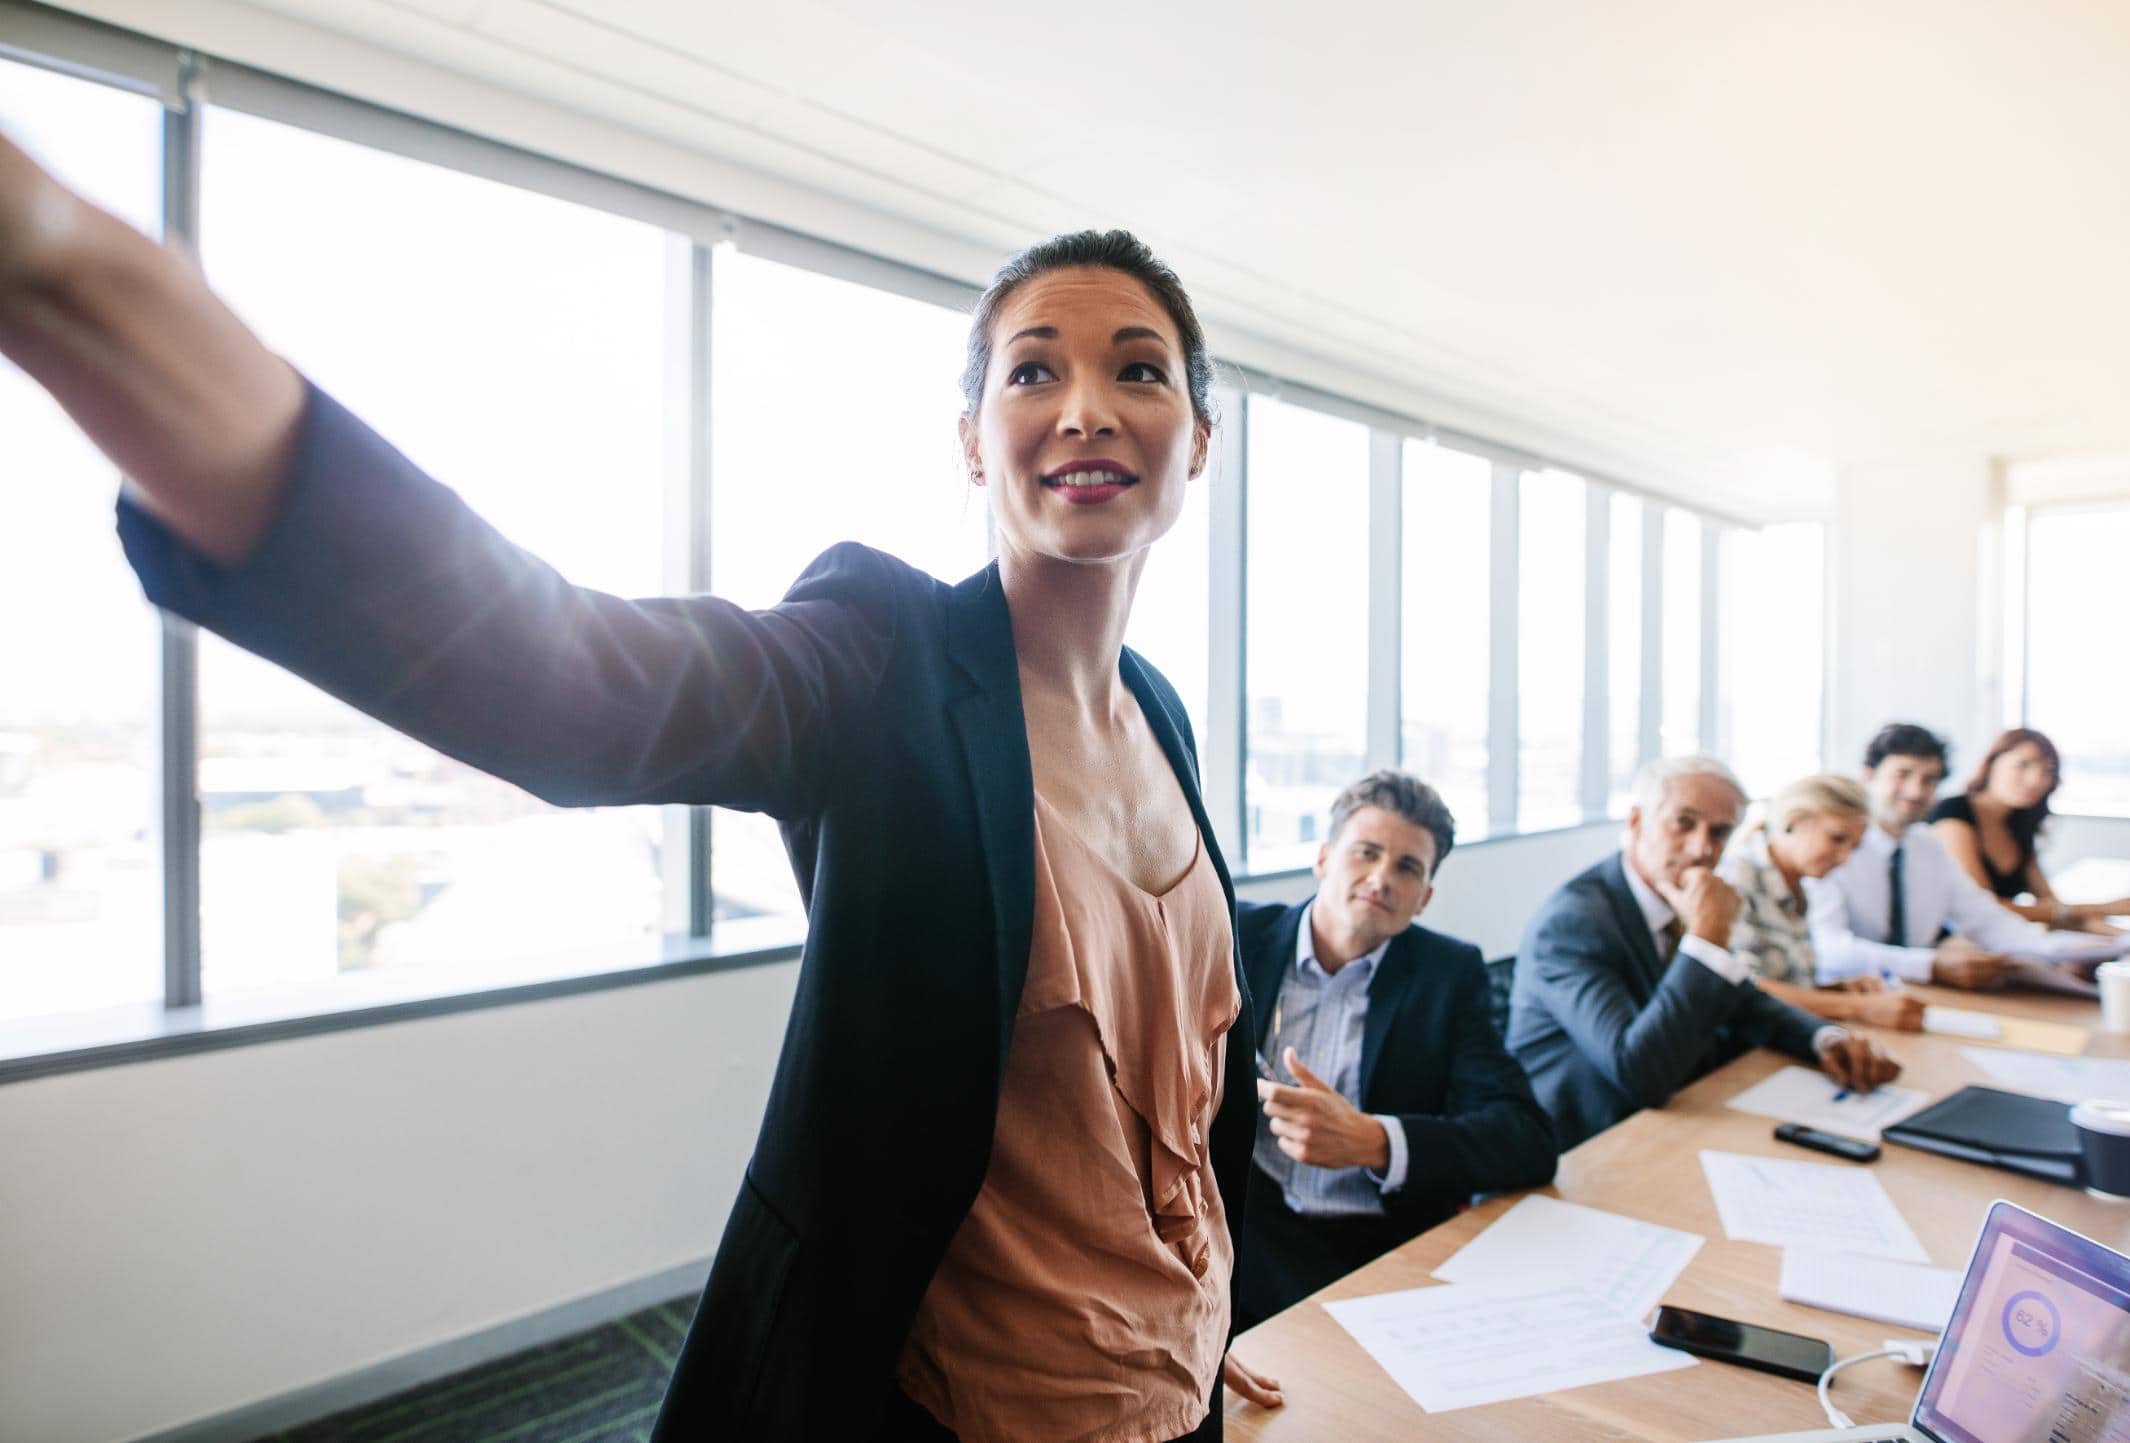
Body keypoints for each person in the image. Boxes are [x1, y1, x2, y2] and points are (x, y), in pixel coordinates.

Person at [0, 131, 1284, 1440]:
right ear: (972, 440)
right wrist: (65, 264)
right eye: (1032, 371)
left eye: (1138, 370)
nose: (1084, 407)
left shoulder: (1164, 718)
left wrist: (1202, 1319)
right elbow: (567, 677)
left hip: (1174, 1395)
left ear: (1196, 439)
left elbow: (1188, 1107)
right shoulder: (883, 654)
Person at [1237, 771, 1556, 1332]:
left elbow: (1526, 1140)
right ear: (1323, 859)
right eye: (1366, 853)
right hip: (1242, 1239)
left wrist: (1373, 1141)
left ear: (1424, 898)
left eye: (1407, 868)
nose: (1382, 878)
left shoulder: (1448, 975)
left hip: (1378, 1250)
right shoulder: (1234, 936)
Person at [1507, 756, 1901, 1153]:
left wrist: (1823, 1038)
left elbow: (1743, 1000)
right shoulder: (1574, 923)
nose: (1701, 848)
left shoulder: (1677, 896)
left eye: (1719, 832)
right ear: (1636, 822)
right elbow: (1638, 1072)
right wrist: (1706, 936)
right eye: (1683, 823)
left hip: (1669, 1122)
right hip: (1581, 1145)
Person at [1810, 723, 2130, 988]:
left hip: (1921, 996)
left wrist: (2120, 944)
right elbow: (1828, 950)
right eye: (1902, 774)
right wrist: (1933, 965)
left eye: (1929, 780)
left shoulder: (1928, 848)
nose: (1916, 791)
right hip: (1852, 995)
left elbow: (1988, 919)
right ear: (1868, 775)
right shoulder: (1833, 848)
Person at [1720, 774, 1924, 1030]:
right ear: (1794, 821)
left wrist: (1837, 991)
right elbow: (1743, 990)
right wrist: (1857, 1007)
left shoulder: (1798, 886)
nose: (1844, 858)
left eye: (1854, 847)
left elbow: (1783, 981)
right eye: (1837, 839)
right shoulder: (1738, 878)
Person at [1929, 727, 2130, 933]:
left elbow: (2051, 905)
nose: (2036, 780)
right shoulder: (1953, 815)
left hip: (1996, 940)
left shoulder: (2017, 822)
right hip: (1950, 943)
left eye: (2047, 771)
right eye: (2022, 764)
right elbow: (1985, 908)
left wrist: (2124, 935)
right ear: (1992, 763)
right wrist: (2103, 908)